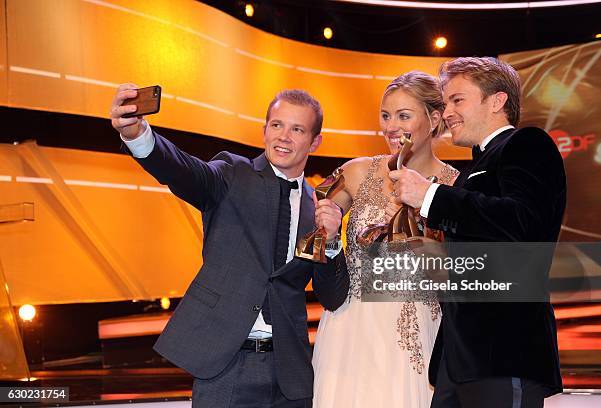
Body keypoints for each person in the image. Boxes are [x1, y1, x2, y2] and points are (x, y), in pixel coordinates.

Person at [110, 86, 350, 408]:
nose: (283, 137)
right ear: (264, 130)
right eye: (277, 125)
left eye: (297, 129)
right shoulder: (232, 174)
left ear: (315, 141)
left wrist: (333, 241)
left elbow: (332, 296)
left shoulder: (317, 207)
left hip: (290, 376)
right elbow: (182, 169)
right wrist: (138, 135)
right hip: (225, 366)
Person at [390, 57, 566, 407]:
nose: (448, 111)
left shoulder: (526, 143)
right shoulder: (474, 168)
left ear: (497, 101)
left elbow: (524, 224)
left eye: (458, 100)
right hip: (458, 362)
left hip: (504, 353)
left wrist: (430, 195)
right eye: (446, 102)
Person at [312, 71, 459, 407]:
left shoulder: (456, 186)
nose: (391, 126)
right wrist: (329, 233)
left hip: (419, 333)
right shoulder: (355, 172)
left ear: (434, 119)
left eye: (403, 115)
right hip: (350, 330)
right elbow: (316, 238)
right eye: (385, 115)